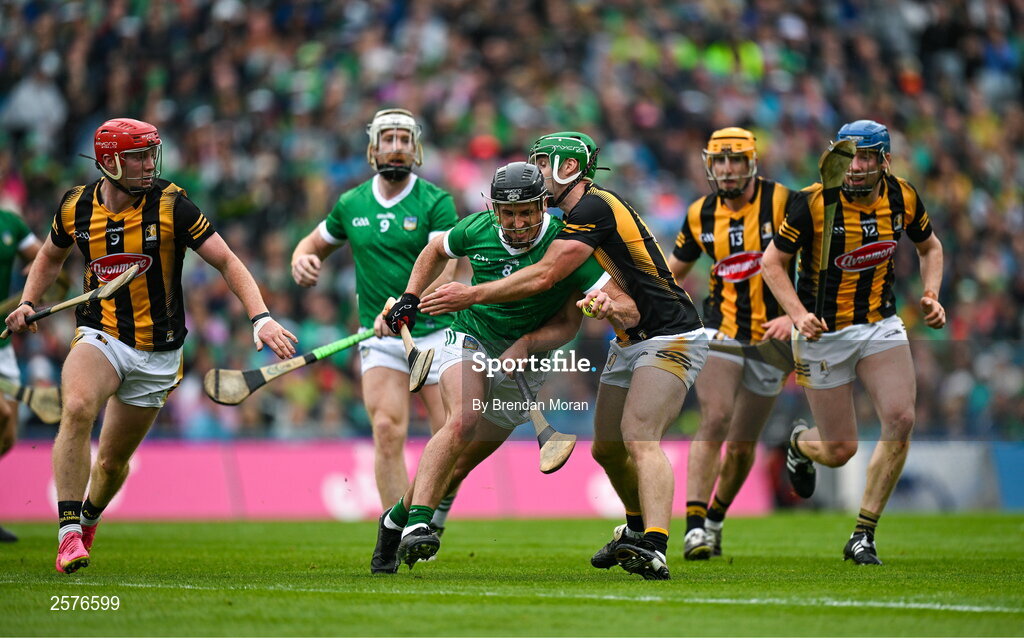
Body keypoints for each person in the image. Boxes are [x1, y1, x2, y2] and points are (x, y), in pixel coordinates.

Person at [4, 117, 297, 574]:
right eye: (138, 156)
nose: (149, 164)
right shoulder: (76, 207)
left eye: (150, 154)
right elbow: (48, 256)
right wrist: (28, 301)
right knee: (78, 406)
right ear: (109, 161)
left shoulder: (172, 204)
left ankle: (89, 519)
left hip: (159, 353)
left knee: (112, 462)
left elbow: (227, 261)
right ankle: (66, 535)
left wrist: (259, 317)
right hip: (101, 334)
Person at [419, 133, 708, 580]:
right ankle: (633, 530)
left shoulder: (591, 208)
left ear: (568, 167)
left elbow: (545, 275)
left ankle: (655, 544)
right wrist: (606, 305)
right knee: (608, 450)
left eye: (541, 162)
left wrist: (472, 294)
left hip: (670, 334)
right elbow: (613, 298)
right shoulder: (575, 216)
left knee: (639, 436)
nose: (534, 171)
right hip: (629, 337)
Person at [373, 161, 637, 573]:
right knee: (462, 420)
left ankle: (394, 521)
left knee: (459, 464)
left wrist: (528, 344)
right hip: (470, 336)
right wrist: (410, 295)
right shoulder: (475, 229)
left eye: (526, 212)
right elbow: (435, 249)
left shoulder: (567, 245)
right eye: (508, 213)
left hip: (528, 360)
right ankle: (420, 525)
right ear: (494, 209)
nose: (517, 222)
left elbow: (569, 324)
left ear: (543, 206)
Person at [761, 120, 946, 565]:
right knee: (840, 450)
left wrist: (931, 294)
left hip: (879, 325)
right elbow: (772, 264)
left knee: (900, 419)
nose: (856, 166)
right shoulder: (812, 203)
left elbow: (931, 248)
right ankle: (800, 445)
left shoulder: (903, 196)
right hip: (822, 335)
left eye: (866, 156)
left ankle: (864, 533)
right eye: (848, 155)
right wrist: (798, 314)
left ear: (884, 160)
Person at [291, 108, 461, 525]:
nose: (397, 148)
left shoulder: (435, 202)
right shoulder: (351, 203)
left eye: (405, 140)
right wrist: (301, 259)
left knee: (451, 439)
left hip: (435, 333)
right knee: (387, 430)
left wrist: (410, 303)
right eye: (389, 139)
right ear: (373, 148)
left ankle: (431, 513)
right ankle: (397, 529)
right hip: (380, 335)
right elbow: (310, 245)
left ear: (415, 149)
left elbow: (447, 266)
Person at [667, 127, 796, 560]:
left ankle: (717, 518)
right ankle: (694, 526)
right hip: (719, 329)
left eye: (735, 160)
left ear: (751, 162)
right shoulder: (699, 214)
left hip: (773, 340)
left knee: (742, 447)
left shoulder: (784, 203)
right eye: (719, 161)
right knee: (715, 417)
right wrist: (628, 297)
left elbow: (813, 266)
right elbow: (673, 273)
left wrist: (796, 318)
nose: (726, 169)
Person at [0, 207, 43, 542]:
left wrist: (35, 277)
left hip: (2, 344)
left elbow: (41, 256)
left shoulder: (11, 222)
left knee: (8, 436)